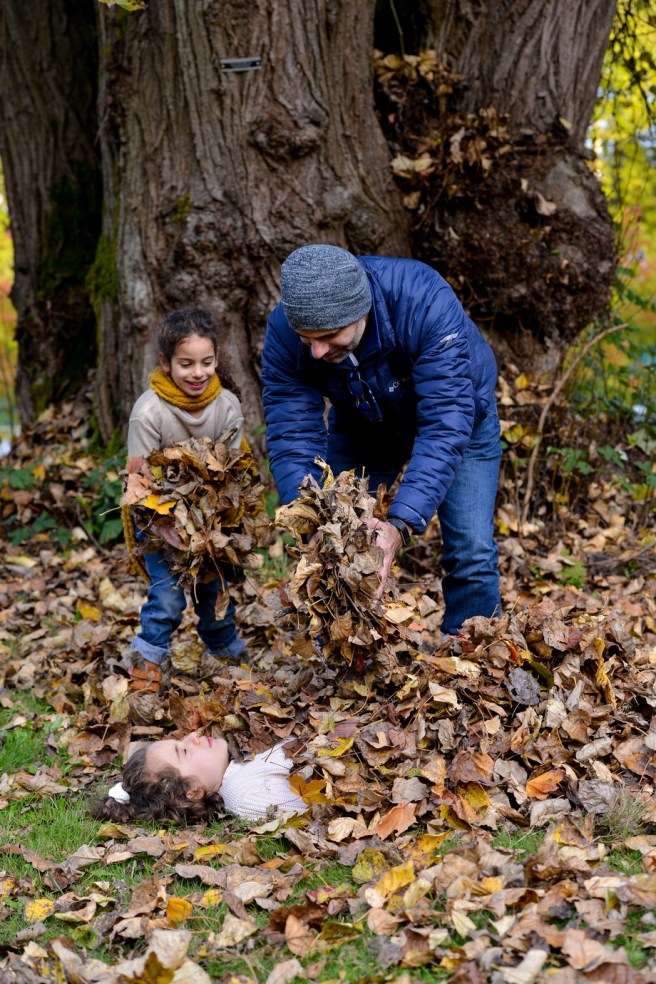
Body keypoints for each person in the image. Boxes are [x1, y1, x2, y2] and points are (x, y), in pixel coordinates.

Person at [261, 245, 501, 636]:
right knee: (337, 541)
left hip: (460, 418)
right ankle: (354, 651)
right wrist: (310, 517)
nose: (317, 352)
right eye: (308, 340)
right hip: (364, 426)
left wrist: (400, 524)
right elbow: (292, 432)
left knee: (471, 549)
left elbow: (445, 421)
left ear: (362, 311)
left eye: (329, 336)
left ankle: (473, 653)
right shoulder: (286, 331)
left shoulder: (422, 299)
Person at [123, 307, 247, 716]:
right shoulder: (150, 412)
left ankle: (227, 655)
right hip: (159, 521)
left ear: (217, 360)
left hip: (210, 521)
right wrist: (165, 529)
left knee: (214, 592)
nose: (197, 373)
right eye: (186, 364)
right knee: (167, 599)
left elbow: (235, 471)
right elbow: (138, 485)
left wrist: (224, 523)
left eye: (206, 363)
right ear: (166, 363)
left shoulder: (226, 406)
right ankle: (147, 672)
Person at [92, 732, 308, 823]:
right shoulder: (245, 794)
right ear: (193, 791)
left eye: (182, 739)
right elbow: (312, 806)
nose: (193, 736)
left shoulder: (235, 751)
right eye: (184, 751)